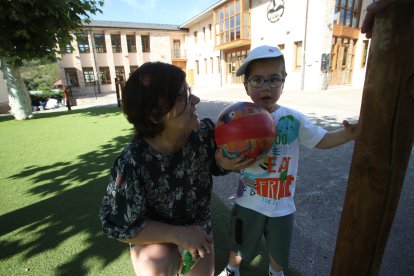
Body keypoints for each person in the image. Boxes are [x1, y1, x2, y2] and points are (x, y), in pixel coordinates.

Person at [217, 45, 359, 276]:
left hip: (281, 204)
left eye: (274, 79)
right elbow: (223, 152)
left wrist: (348, 135)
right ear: (246, 86)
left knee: (279, 248)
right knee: (239, 239)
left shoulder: (293, 119)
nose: (266, 87)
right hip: (247, 201)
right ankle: (233, 268)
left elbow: (321, 139)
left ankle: (276, 272)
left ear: (283, 82)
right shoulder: (237, 118)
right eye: (257, 80)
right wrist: (224, 160)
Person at [99, 61, 250, 276]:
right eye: (182, 97)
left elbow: (217, 164)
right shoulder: (133, 163)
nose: (196, 101)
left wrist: (226, 163)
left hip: (198, 231)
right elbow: (120, 227)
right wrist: (178, 235)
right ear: (154, 114)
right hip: (156, 235)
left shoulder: (203, 134)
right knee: (159, 262)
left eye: (189, 92)